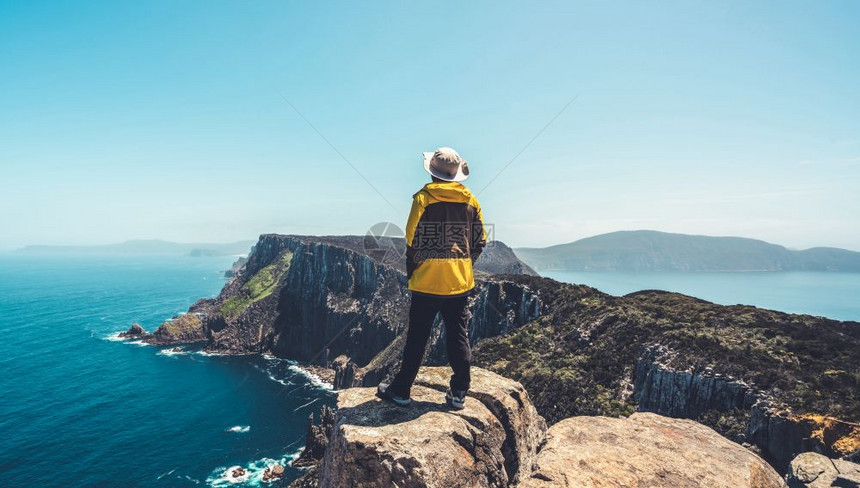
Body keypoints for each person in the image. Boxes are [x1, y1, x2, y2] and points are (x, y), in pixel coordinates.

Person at [377, 147, 486, 410]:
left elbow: (412, 239)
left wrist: (414, 270)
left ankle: (401, 390)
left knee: (417, 337)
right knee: (458, 336)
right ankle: (459, 392)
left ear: (433, 173)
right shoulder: (470, 200)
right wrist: (464, 265)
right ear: (456, 175)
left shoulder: (424, 198)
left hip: (427, 281)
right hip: (459, 283)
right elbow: (480, 240)